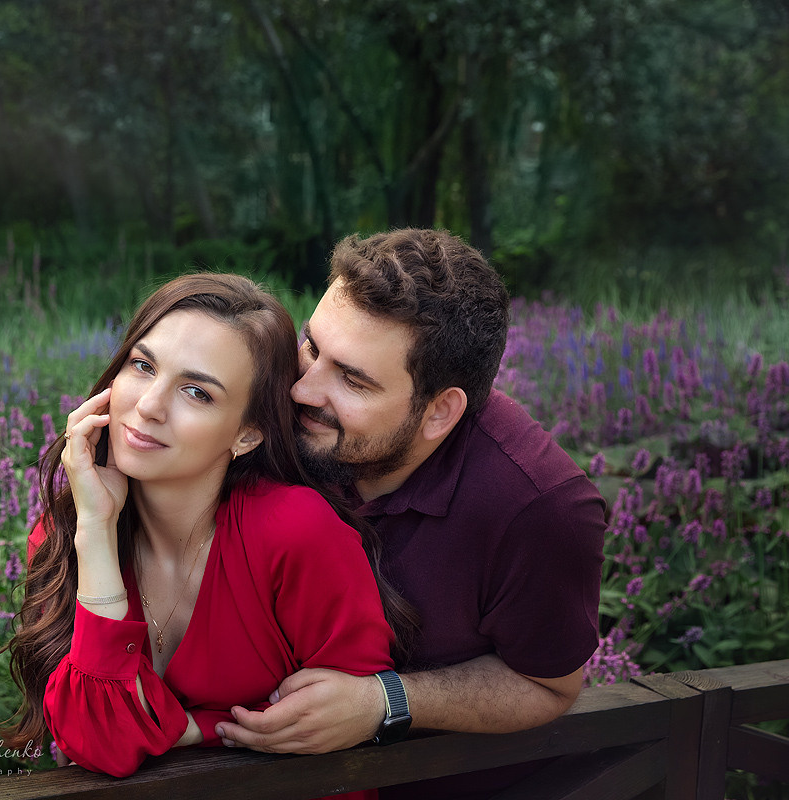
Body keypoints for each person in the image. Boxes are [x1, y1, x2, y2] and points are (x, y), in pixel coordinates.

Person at [214, 229, 607, 798]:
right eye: (311, 346)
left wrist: (386, 700)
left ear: (439, 412)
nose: (302, 390)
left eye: (353, 379)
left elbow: (547, 686)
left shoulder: (540, 510)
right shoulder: (283, 409)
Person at [0, 273, 415, 797]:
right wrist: (98, 533)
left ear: (247, 433)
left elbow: (348, 731)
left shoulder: (295, 533)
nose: (149, 405)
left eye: (196, 392)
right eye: (142, 365)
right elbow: (97, 742)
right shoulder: (71, 532)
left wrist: (188, 728)